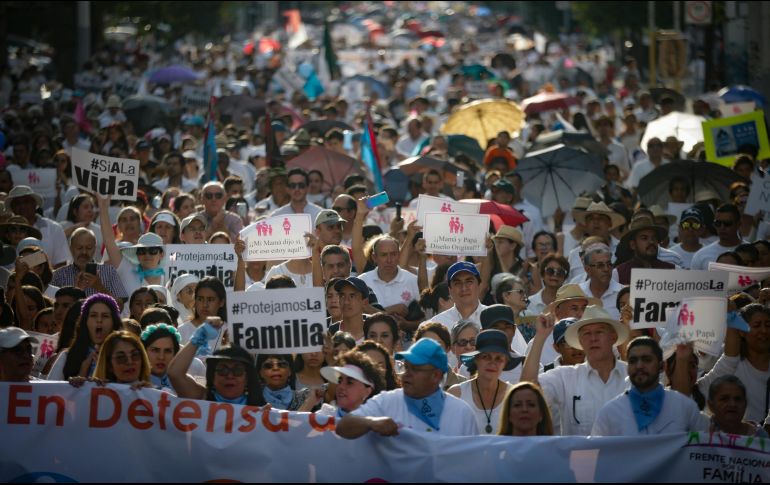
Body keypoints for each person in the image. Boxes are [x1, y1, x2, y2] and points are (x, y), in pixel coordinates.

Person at [521, 305, 630, 435]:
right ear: (580, 341)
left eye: (599, 332)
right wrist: (540, 337)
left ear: (613, 337)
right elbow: (525, 392)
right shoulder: (565, 377)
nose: (593, 338)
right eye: (587, 333)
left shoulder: (632, 375)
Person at [336, 338, 478, 437]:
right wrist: (371, 422)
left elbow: (472, 460)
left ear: (435, 375)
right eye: (406, 367)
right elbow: (343, 426)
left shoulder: (462, 413)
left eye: (415, 369)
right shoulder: (386, 401)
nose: (406, 374)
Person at [591, 337, 705, 436]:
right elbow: (594, 452)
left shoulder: (684, 407)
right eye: (633, 361)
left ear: (662, 366)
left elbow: (705, 446)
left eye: (647, 360)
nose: (639, 366)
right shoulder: (610, 413)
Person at [168, 325, 262, 405]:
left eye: (237, 371)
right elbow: (175, 374)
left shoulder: (260, 409)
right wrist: (198, 337)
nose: (230, 376)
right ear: (213, 376)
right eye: (222, 370)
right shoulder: (201, 397)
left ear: (247, 378)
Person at [448, 329, 516, 434]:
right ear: (476, 359)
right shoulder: (456, 394)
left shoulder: (513, 396)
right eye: (486, 357)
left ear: (505, 363)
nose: (492, 363)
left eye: (498, 358)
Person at [47, 293, 124, 380]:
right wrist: (81, 375)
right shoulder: (66, 356)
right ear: (85, 321)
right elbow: (51, 387)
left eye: (105, 316)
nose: (99, 320)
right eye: (93, 315)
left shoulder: (126, 357)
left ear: (114, 322)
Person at [525, 284, 600, 366]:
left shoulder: (595, 339)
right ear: (557, 311)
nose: (581, 314)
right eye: (574, 308)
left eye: (584, 308)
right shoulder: (538, 344)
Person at [358, 236, 420, 331]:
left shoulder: (413, 281)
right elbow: (355, 313)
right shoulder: (363, 281)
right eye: (384, 255)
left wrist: (407, 325)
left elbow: (427, 319)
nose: (389, 260)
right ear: (374, 257)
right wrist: (392, 310)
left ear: (399, 255)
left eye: (393, 254)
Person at [51, 228, 128, 300]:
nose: (84, 252)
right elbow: (53, 305)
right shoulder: (58, 275)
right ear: (71, 249)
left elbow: (120, 305)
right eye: (79, 248)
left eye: (89, 248)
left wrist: (100, 287)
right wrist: (76, 291)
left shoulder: (109, 271)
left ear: (94, 248)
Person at [6, 186, 70, 267]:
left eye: (26, 201)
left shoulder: (54, 228)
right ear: (12, 208)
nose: (22, 206)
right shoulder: (5, 231)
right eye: (17, 203)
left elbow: (61, 263)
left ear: (34, 204)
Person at [69, 330, 152, 388]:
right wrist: (78, 390)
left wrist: (149, 395)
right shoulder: (96, 391)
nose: (130, 362)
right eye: (121, 358)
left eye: (135, 355)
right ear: (109, 365)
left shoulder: (155, 395)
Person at [318, 350, 385, 418]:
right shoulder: (322, 417)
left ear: (367, 392)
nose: (341, 386)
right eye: (340, 381)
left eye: (349, 382)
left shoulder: (378, 421)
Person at [614, 218, 675, 285]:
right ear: (633, 245)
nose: (651, 242)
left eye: (654, 238)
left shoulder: (673, 270)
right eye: (644, 238)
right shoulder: (618, 273)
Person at [428, 261, 486, 331]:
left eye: (469, 282)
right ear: (450, 289)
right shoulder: (437, 323)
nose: (464, 288)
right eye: (457, 283)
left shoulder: (493, 318)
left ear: (479, 285)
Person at [690, 204, 745, 270]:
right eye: (718, 223)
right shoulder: (701, 255)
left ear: (738, 224)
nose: (722, 227)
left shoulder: (751, 251)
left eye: (727, 223)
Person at [177, 277, 227, 345]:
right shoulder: (182, 331)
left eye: (210, 299)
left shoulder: (228, 331)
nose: (205, 305)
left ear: (221, 302)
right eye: (200, 299)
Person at [579, 244, 625, 319]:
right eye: (600, 265)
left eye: (609, 264)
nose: (606, 269)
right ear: (588, 270)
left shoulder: (623, 294)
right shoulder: (578, 292)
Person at [327, 277, 370, 342]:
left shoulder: (375, 333)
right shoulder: (330, 334)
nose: (346, 302)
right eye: (342, 296)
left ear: (365, 302)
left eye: (352, 296)